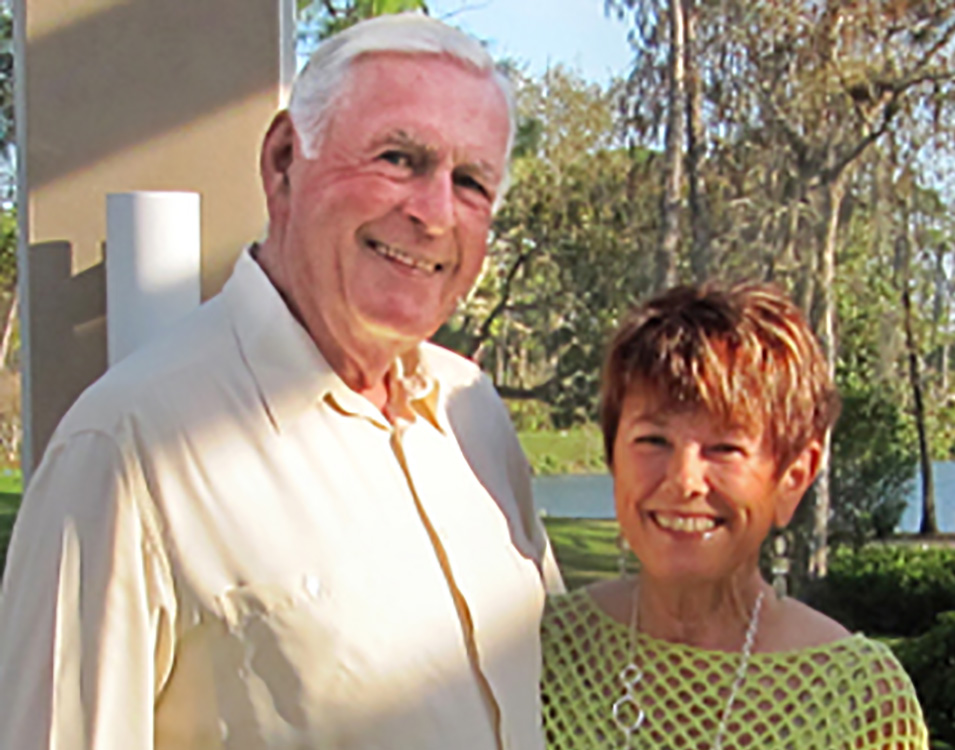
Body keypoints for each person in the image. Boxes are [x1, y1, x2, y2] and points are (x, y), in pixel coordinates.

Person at [0, 13, 561, 750]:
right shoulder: (126, 449)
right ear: (283, 160)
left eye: (470, 182)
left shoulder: (472, 415)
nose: (432, 213)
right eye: (398, 158)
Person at [540, 282, 928, 749]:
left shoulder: (859, 701)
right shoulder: (542, 653)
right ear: (612, 456)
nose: (684, 480)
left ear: (793, 476)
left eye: (724, 448)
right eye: (652, 441)